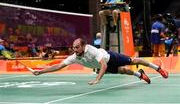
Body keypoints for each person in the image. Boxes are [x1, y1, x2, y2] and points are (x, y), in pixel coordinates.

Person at [33, 38, 168, 85]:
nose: (74, 49)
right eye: (73, 47)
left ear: (83, 46)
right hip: (104, 65)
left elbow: (103, 65)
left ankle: (157, 68)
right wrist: (41, 72)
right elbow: (58, 66)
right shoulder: (74, 56)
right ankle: (140, 74)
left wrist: (98, 79)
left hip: (110, 57)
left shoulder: (91, 50)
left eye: (77, 47)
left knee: (132, 61)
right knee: (124, 71)